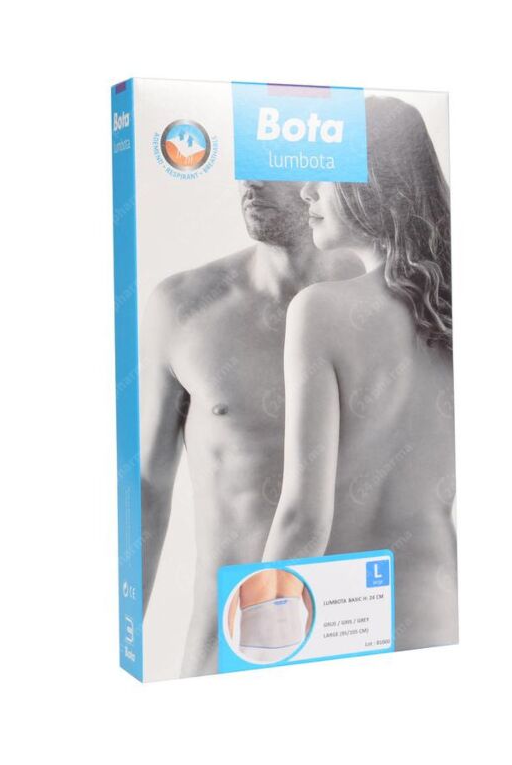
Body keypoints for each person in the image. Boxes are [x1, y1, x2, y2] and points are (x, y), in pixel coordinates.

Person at [139, 180, 362, 677]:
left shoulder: (391, 298)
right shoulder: (185, 309)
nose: (250, 182)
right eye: (245, 165)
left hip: (362, 631)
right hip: (226, 653)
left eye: (269, 166)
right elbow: (146, 489)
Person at [262, 97, 458, 650]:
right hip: (444, 611)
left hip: (345, 618)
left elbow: (303, 521)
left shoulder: (320, 310)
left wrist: (255, 631)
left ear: (374, 183)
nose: (306, 191)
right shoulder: (452, 307)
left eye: (325, 172)